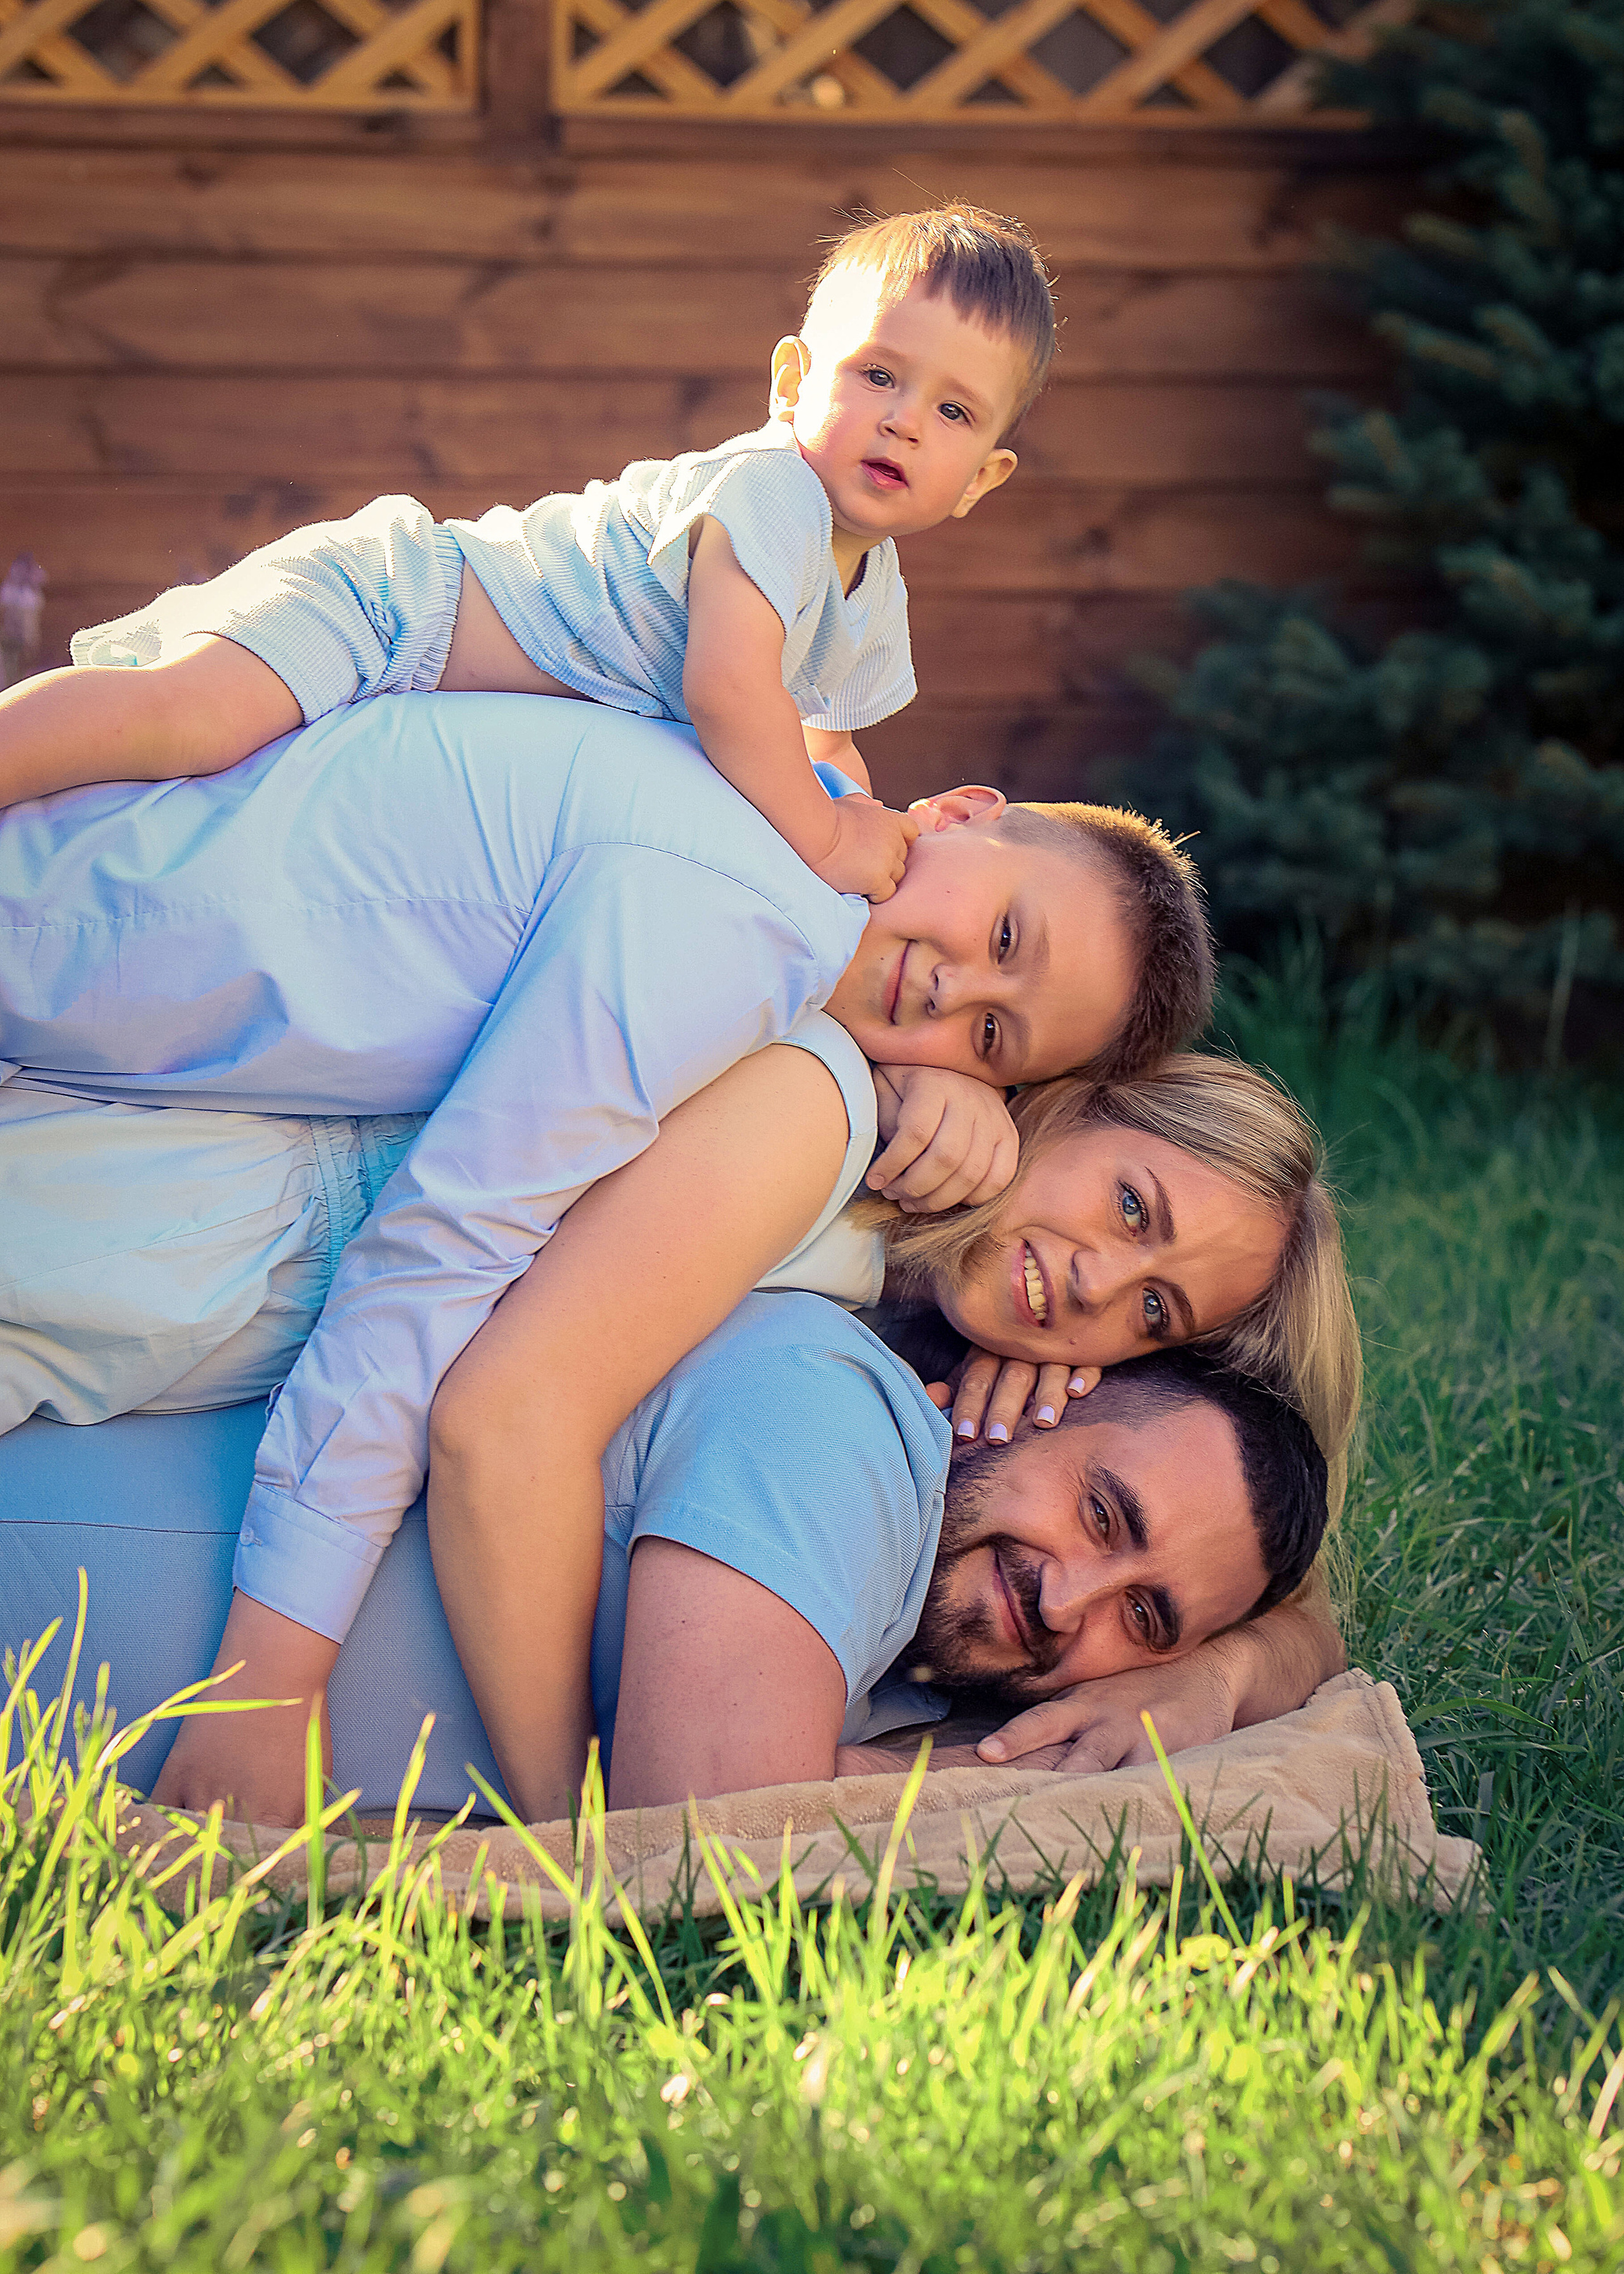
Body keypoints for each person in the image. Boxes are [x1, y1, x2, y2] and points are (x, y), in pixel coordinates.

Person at [0, 687, 1212, 1818]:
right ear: (957, 813)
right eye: (1129, 1206)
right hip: (168, 1205)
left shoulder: (830, 1050)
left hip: (173, 1188)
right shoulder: (762, 987)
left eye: (1158, 1312)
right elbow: (464, 1312)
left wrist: (1231, 1667)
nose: (1099, 1279)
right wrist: (307, 1694)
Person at [0, 205, 1057, 903]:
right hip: (396, 606)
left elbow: (818, 733)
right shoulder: (770, 493)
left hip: (427, 665)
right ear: (791, 384)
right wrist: (826, 847)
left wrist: (853, 814)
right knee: (188, 719)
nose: (905, 422)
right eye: (877, 375)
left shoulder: (867, 581)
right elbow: (736, 695)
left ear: (980, 480)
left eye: (952, 409)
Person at [0, 1310, 1339, 1820]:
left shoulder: (896, 1654)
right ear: (1030, 1399)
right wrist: (1038, 1770)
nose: (1068, 1599)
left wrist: (1211, 1681)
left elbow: (1316, 1643)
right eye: (1102, 1516)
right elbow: (700, 1829)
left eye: (1141, 1615)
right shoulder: (838, 1418)